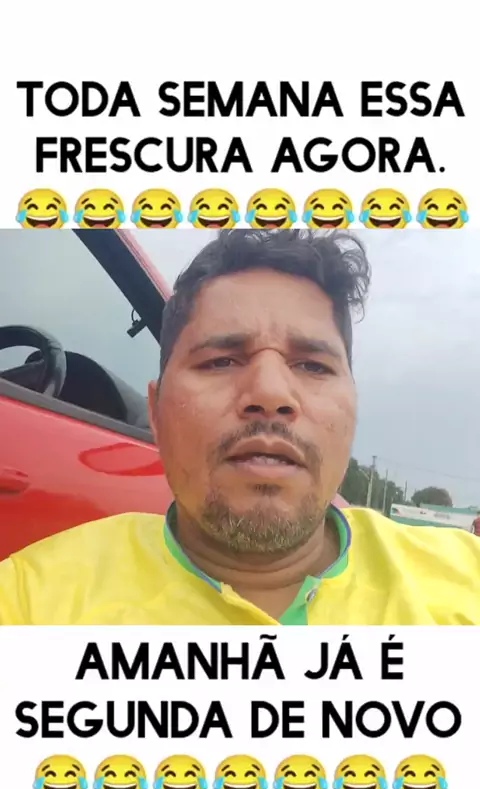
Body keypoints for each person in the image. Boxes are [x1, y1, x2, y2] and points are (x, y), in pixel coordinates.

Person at [1, 229, 479, 625]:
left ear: (353, 409)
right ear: (157, 412)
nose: (270, 393)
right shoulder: (31, 602)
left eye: (312, 365)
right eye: (221, 361)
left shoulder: (466, 579)